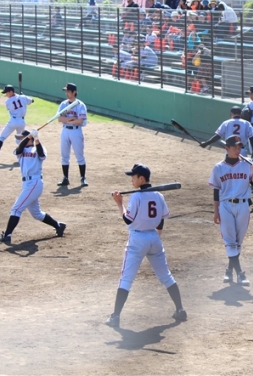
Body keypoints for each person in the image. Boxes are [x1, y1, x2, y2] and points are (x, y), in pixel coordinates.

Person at [105, 164, 187, 328]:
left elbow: (128, 220)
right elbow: (161, 218)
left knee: (126, 278)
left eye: (133, 177)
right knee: (166, 276)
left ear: (141, 179)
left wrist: (119, 203)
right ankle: (180, 310)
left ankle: (115, 317)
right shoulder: (158, 196)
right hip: (154, 238)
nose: (132, 180)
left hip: (137, 239)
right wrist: (157, 234)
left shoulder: (136, 197)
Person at [0, 129, 66, 244]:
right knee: (37, 214)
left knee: (16, 209)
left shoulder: (39, 148)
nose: (20, 140)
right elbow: (20, 148)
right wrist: (29, 137)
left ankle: (7, 235)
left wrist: (36, 139)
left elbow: (42, 154)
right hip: (27, 184)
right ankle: (59, 226)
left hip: (34, 183)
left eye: (21, 137)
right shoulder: (21, 150)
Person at [208, 136, 253, 285]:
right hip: (225, 206)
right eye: (235, 147)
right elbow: (216, 190)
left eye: (239, 147)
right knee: (230, 241)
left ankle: (229, 271)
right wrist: (216, 211)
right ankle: (240, 274)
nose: (238, 150)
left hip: (243, 206)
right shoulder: (218, 167)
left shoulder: (246, 164)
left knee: (238, 242)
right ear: (227, 148)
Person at [57, 83, 89, 187]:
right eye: (66, 91)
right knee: (64, 155)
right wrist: (71, 119)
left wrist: (67, 120)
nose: (66, 93)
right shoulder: (63, 104)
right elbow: (59, 119)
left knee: (79, 155)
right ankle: (65, 178)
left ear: (74, 92)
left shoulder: (80, 105)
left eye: (68, 91)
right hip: (65, 131)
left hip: (76, 131)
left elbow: (80, 121)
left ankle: (83, 178)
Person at [0, 85, 34, 160]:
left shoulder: (7, 101)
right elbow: (32, 100)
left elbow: (10, 107)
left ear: (11, 92)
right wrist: (23, 95)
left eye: (7, 92)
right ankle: (26, 154)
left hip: (13, 121)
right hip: (22, 122)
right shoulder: (23, 97)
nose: (6, 94)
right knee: (20, 140)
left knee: (1, 137)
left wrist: (20, 97)